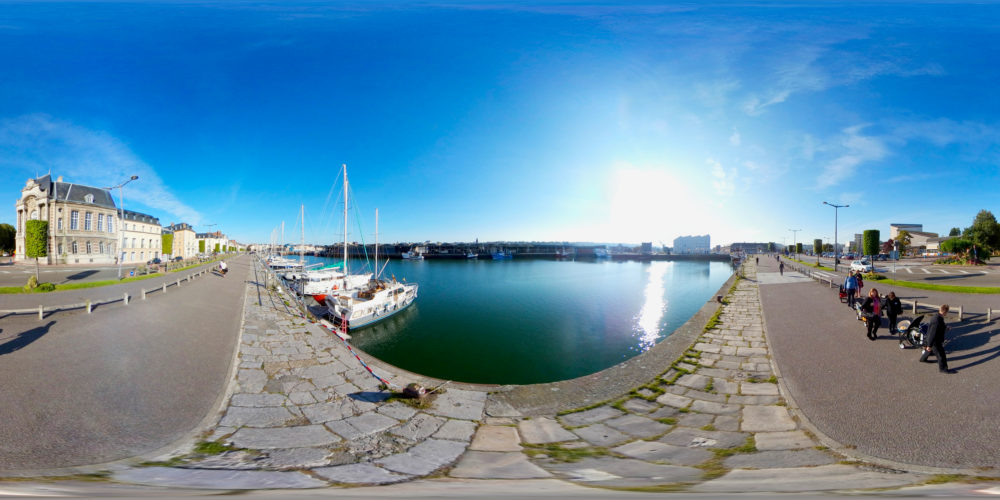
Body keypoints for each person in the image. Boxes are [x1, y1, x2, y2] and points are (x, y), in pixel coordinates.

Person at [920, 305, 956, 374]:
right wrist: (929, 345)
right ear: (944, 312)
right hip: (935, 341)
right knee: (941, 355)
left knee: (929, 351)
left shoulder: (937, 317)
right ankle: (943, 369)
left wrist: (946, 328)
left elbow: (940, 327)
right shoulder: (937, 320)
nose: (946, 314)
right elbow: (932, 334)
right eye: (946, 312)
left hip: (933, 340)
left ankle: (922, 359)